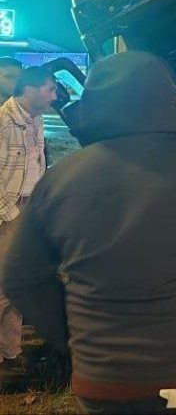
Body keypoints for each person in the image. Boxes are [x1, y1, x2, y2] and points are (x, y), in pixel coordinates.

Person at [0, 51, 176, 414]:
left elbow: (21, 275)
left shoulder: (60, 180)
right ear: (168, 100)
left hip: (103, 382)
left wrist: (75, 338)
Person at [0, 67, 56, 368]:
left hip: (27, 208)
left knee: (15, 286)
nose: (54, 96)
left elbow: (37, 163)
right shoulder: (3, 121)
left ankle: (11, 352)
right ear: (30, 89)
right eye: (50, 89)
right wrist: (11, 215)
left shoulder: (35, 118)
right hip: (9, 212)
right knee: (5, 285)